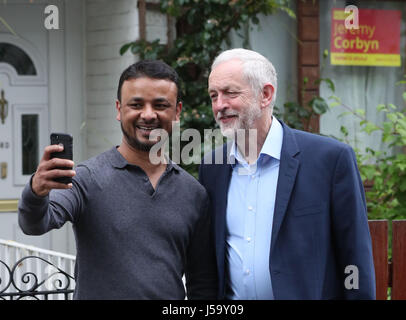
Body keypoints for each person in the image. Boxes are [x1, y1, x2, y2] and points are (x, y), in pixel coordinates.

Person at [18, 60, 217, 300]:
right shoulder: (86, 179)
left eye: (160, 105)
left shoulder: (193, 193)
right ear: (118, 109)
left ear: (177, 112)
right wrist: (36, 191)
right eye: (136, 104)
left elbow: (203, 284)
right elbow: (34, 224)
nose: (148, 114)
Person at [198, 48, 376, 300]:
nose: (219, 105)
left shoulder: (330, 160)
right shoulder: (212, 168)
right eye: (213, 95)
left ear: (266, 95)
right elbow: (208, 263)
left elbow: (355, 259)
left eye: (230, 93)